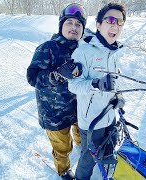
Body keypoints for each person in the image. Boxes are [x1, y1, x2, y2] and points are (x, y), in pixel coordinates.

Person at [26, 3, 87, 180]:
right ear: (61, 25)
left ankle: (81, 147)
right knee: (62, 147)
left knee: (81, 134)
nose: (74, 28)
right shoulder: (48, 48)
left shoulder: (83, 50)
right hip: (55, 114)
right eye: (69, 23)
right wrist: (58, 74)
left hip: (79, 108)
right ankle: (63, 169)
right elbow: (32, 77)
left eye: (78, 24)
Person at [68, 2, 127, 180]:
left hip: (109, 115)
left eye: (120, 21)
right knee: (88, 159)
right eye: (110, 20)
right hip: (91, 120)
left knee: (108, 148)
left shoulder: (115, 51)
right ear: (99, 25)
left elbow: (116, 80)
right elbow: (73, 85)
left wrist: (119, 96)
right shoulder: (83, 52)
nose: (115, 25)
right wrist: (95, 84)